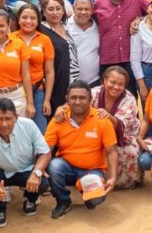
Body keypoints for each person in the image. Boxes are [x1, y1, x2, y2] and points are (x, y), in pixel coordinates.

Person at [45, 80, 119, 218]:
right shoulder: (58, 120)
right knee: (53, 166)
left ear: (90, 99)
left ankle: (87, 193)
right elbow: (46, 150)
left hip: (93, 170)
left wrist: (113, 178)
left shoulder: (102, 120)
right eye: (73, 98)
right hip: (66, 168)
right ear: (67, 99)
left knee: (95, 200)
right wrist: (38, 171)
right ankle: (63, 201)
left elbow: (111, 152)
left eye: (82, 98)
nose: (77, 102)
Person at [0, 98, 52, 227]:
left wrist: (36, 173)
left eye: (8, 119)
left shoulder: (28, 125)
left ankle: (30, 199)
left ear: (16, 117)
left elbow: (45, 153)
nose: (4, 124)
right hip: (1, 172)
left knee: (43, 181)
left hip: (26, 170)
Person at [93, 0, 148, 91]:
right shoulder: (98, 3)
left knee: (130, 96)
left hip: (131, 60)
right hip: (107, 60)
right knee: (107, 96)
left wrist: (140, 19)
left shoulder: (136, 0)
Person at [87, 66, 140, 189]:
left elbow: (122, 124)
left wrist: (109, 117)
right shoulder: (93, 93)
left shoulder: (129, 99)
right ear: (104, 80)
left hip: (123, 137)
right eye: (113, 82)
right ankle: (92, 179)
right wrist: (61, 109)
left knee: (129, 153)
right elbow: (75, 106)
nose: (116, 87)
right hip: (94, 134)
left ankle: (120, 182)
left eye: (121, 84)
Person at [12, 4, 55, 132]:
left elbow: (49, 71)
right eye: (24, 17)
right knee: (16, 129)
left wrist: (47, 100)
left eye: (33, 18)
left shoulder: (45, 40)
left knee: (39, 130)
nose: (28, 21)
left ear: (38, 20)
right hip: (16, 91)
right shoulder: (10, 38)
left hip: (37, 90)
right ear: (18, 19)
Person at [38, 0, 74, 114]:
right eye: (50, 9)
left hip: (72, 80)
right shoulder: (41, 30)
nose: (55, 12)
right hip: (53, 83)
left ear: (63, 10)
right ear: (44, 12)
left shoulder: (68, 27)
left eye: (58, 8)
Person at [67, 0, 101, 86]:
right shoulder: (64, 26)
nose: (83, 12)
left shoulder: (98, 26)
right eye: (79, 9)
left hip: (94, 82)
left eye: (87, 9)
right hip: (70, 84)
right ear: (73, 8)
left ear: (92, 10)